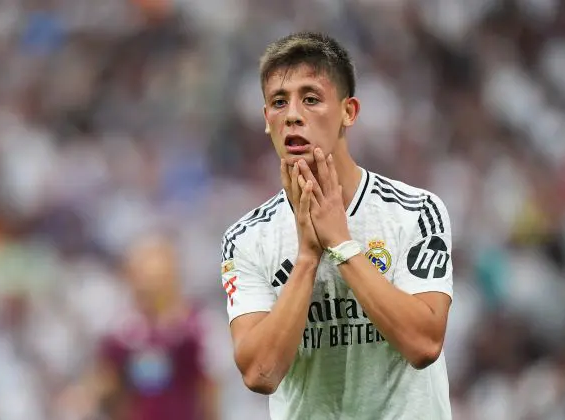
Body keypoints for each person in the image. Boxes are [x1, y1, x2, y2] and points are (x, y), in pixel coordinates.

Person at [221, 32, 453, 420]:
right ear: (267, 120)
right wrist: (308, 257)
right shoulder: (245, 238)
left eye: (310, 99)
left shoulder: (416, 211)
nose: (293, 114)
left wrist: (342, 245)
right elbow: (260, 372)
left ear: (349, 111)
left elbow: (424, 344)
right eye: (279, 102)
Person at [58, 233, 219, 420]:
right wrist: (85, 394)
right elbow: (107, 376)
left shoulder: (198, 327)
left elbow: (210, 390)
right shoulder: (123, 328)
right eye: (137, 274)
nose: (143, 284)